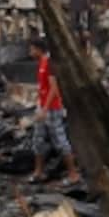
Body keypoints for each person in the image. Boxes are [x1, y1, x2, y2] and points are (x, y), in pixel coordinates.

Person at [29, 39, 80, 184]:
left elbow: (54, 88)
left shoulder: (50, 64)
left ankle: (73, 174)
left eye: (32, 49)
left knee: (60, 141)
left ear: (39, 49)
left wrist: (45, 109)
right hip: (43, 107)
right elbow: (44, 87)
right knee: (37, 140)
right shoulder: (41, 64)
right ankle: (38, 172)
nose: (30, 52)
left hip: (52, 109)